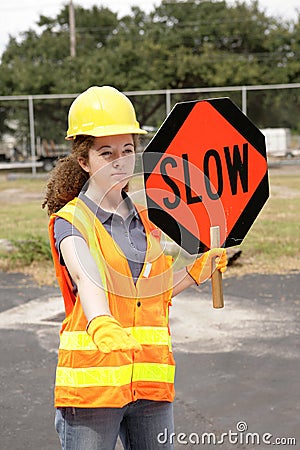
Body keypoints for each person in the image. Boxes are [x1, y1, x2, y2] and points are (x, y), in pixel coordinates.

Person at [42, 85, 227, 450]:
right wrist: (99, 320)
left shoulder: (145, 216)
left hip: (150, 380)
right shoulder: (72, 220)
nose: (120, 162)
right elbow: (85, 273)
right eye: (106, 153)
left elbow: (148, 290)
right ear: (84, 160)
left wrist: (193, 272)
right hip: (95, 387)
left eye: (127, 150)